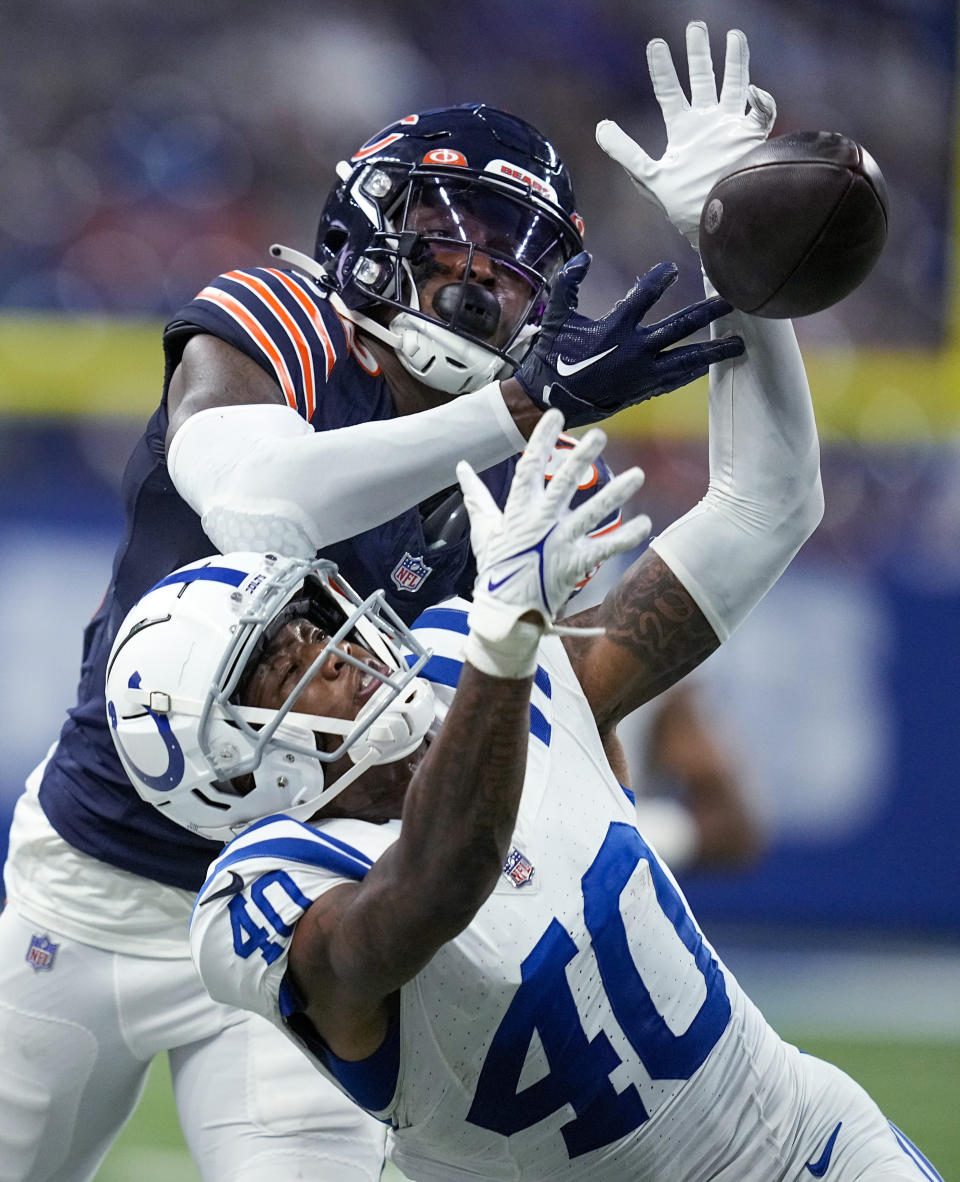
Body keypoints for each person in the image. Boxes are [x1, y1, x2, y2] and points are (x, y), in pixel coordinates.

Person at [0, 23, 753, 1182]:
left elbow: (557, 729)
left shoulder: (530, 457)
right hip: (89, 885)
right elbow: (256, 494)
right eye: (451, 238)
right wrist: (510, 411)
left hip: (288, 909)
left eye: (511, 259)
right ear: (367, 235)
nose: (476, 276)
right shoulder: (281, 325)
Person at [108, 405, 937, 1179]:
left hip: (807, 1144)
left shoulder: (459, 655)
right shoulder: (260, 890)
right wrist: (503, 643)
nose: (333, 654)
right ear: (236, 767)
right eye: (288, 668)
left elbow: (768, 504)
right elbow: (432, 888)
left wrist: (750, 289)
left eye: (312, 628)